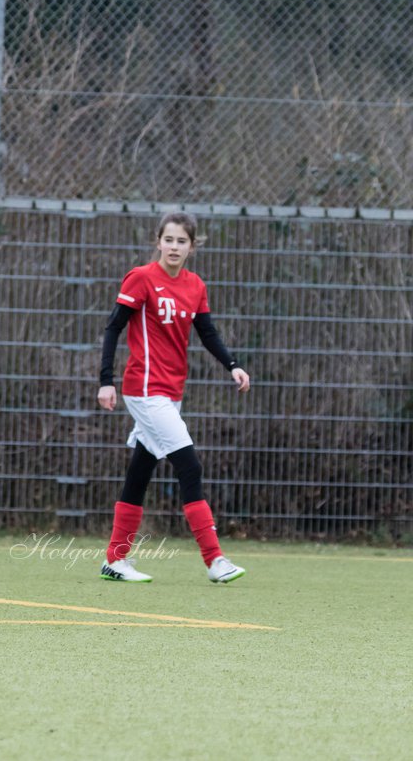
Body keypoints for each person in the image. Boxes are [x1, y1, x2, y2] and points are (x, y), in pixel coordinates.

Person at [97, 211, 250, 584]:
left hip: (170, 392)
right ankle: (215, 560)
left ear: (192, 247)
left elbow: (207, 332)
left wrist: (232, 364)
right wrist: (106, 380)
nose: (174, 247)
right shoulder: (141, 278)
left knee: (141, 471)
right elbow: (114, 327)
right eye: (169, 239)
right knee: (190, 466)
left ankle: (115, 560)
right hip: (144, 390)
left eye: (182, 241)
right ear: (158, 241)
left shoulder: (195, 285)